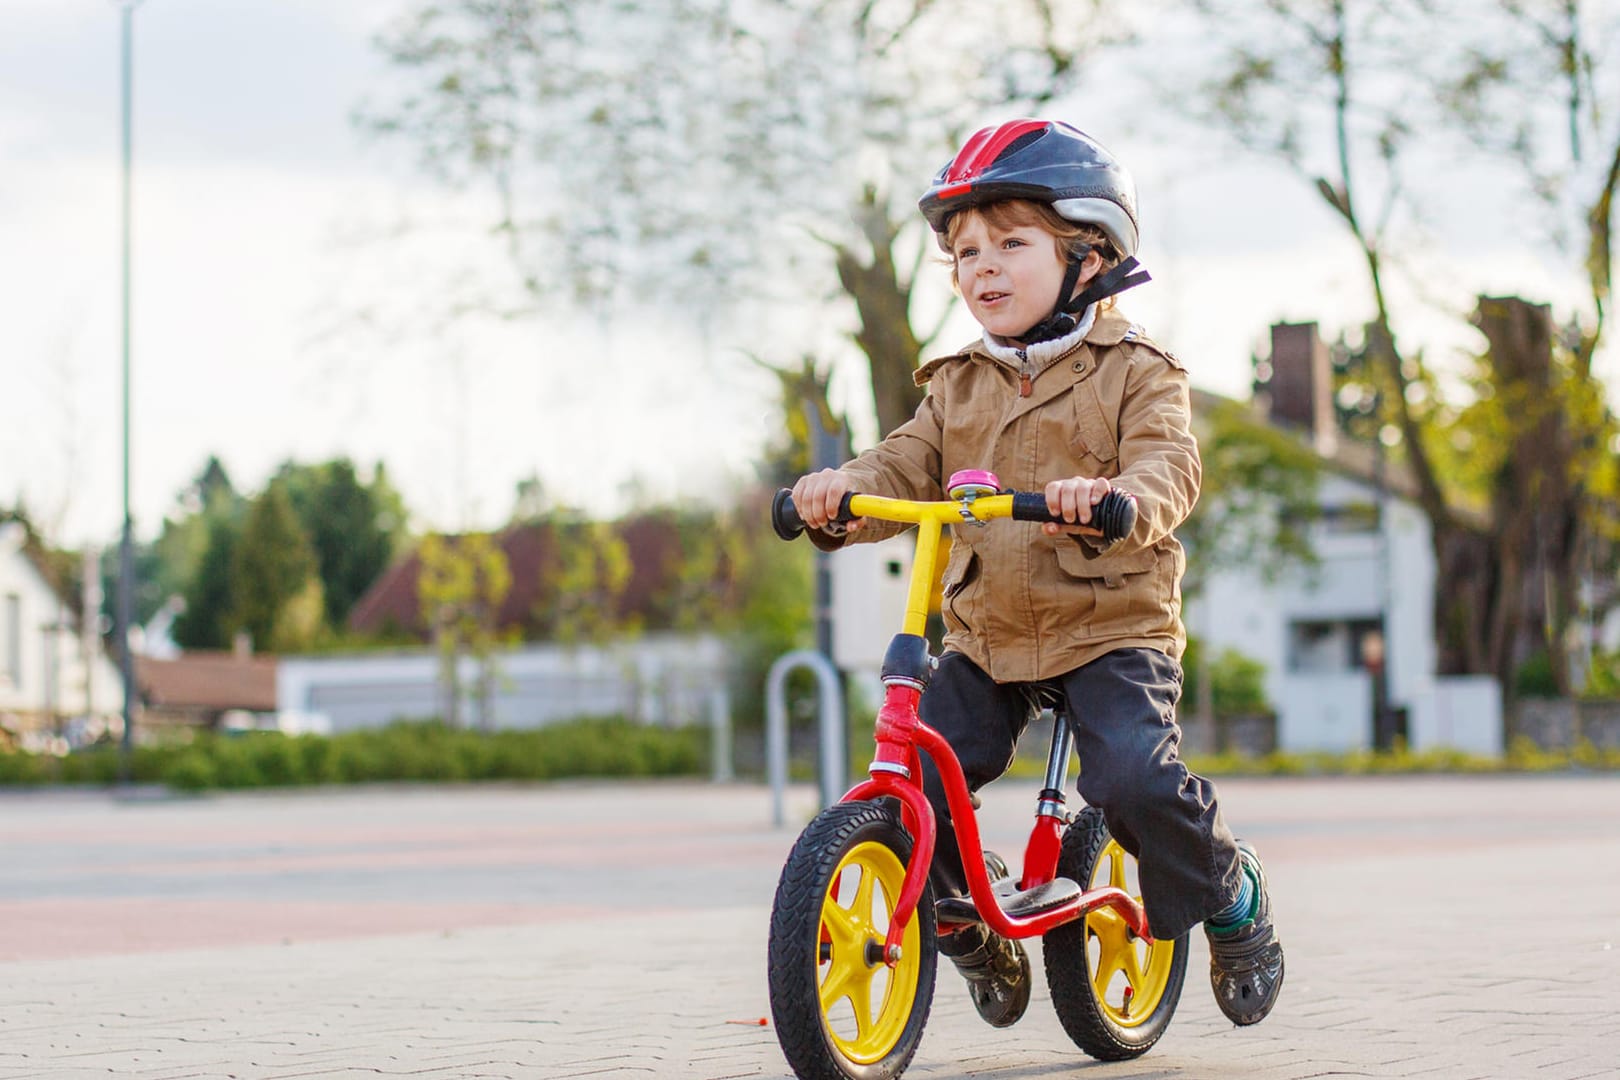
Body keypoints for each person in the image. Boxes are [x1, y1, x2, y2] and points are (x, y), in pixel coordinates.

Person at [790, 119, 1283, 1029]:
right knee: (920, 774)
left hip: (1110, 627)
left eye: (1012, 243)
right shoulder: (957, 383)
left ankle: (1231, 891)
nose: (983, 266)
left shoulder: (1138, 370)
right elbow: (901, 465)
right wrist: (838, 493)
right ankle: (967, 924)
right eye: (966, 251)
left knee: (1132, 778)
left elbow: (1168, 465)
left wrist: (1119, 501)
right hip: (990, 634)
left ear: (1087, 257)